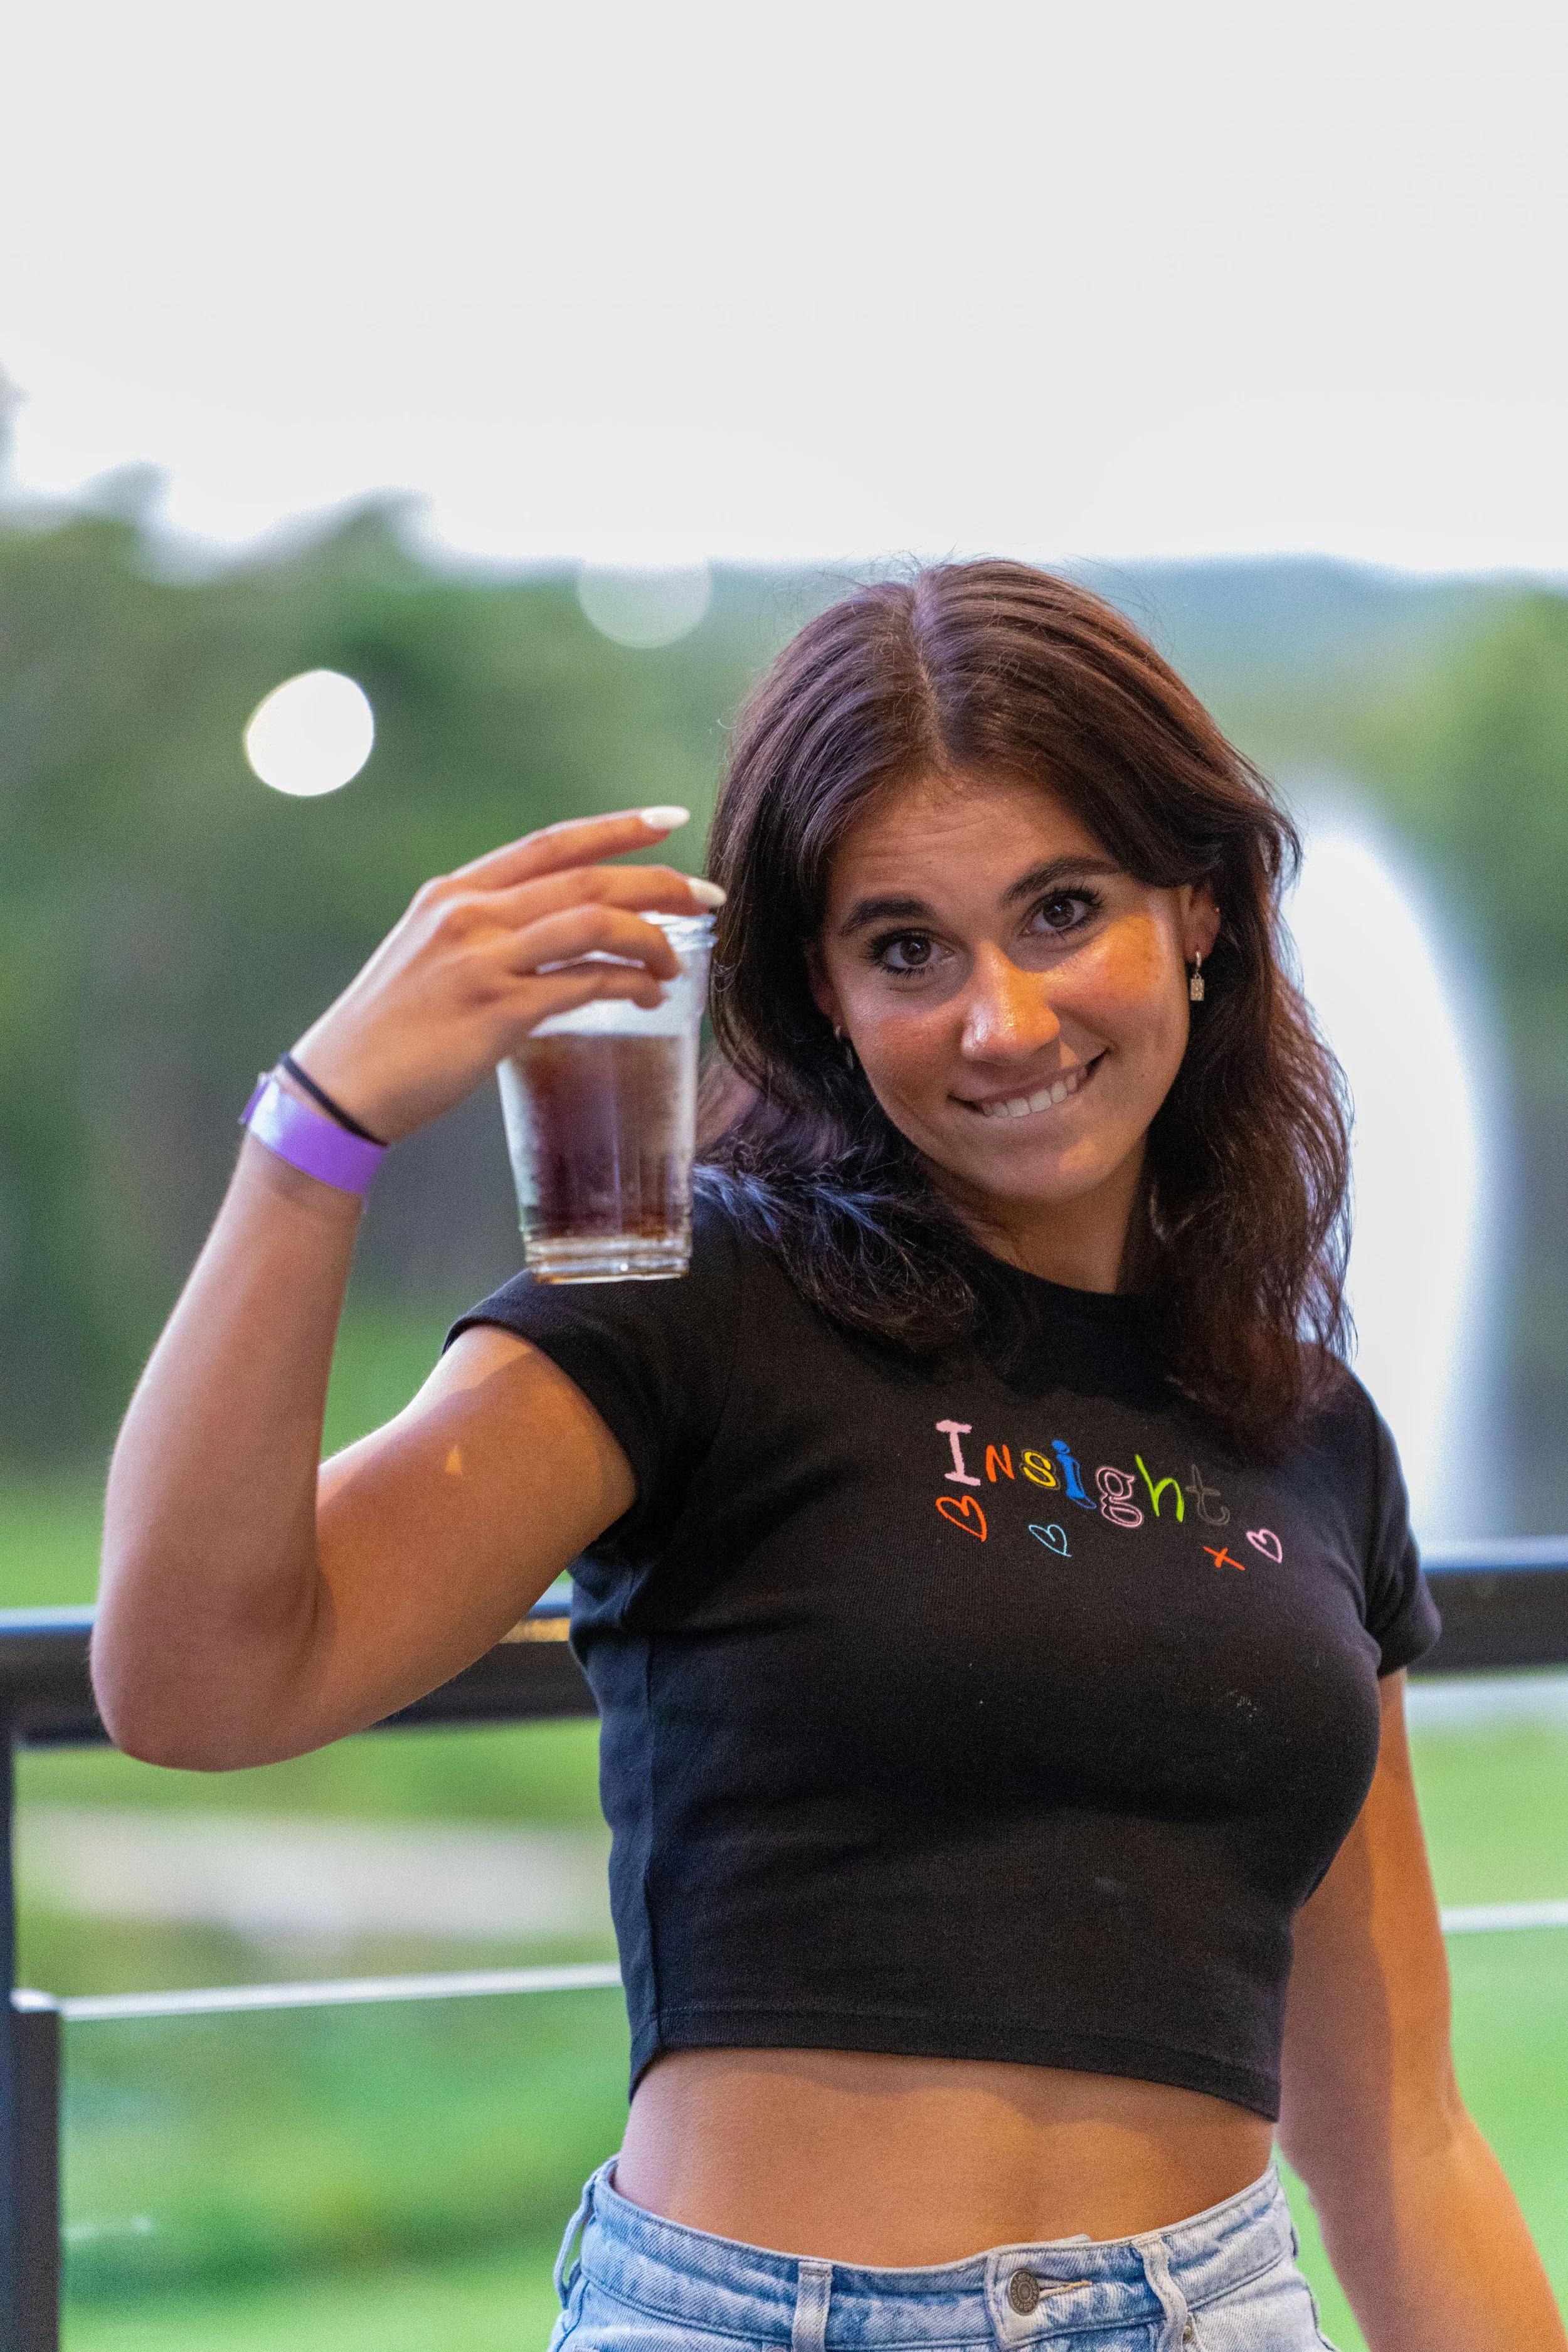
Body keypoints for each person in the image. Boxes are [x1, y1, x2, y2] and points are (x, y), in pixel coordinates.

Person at [95, 561, 1564, 2352]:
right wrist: (316, 1133)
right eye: (906, 948)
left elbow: (1400, 2144)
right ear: (824, 988)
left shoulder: (1304, 1431)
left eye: (1062, 909)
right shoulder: (694, 1303)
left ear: (1196, 911)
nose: (998, 1020)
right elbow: (198, 1677)